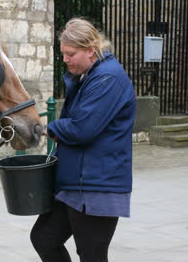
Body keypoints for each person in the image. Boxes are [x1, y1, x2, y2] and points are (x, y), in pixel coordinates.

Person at [30, 18, 136, 262]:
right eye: (63, 53)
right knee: (44, 238)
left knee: (91, 255)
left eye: (70, 54)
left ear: (91, 50)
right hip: (75, 182)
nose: (65, 59)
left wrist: (51, 128)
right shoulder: (90, 76)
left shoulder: (108, 78)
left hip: (98, 185)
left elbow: (82, 128)